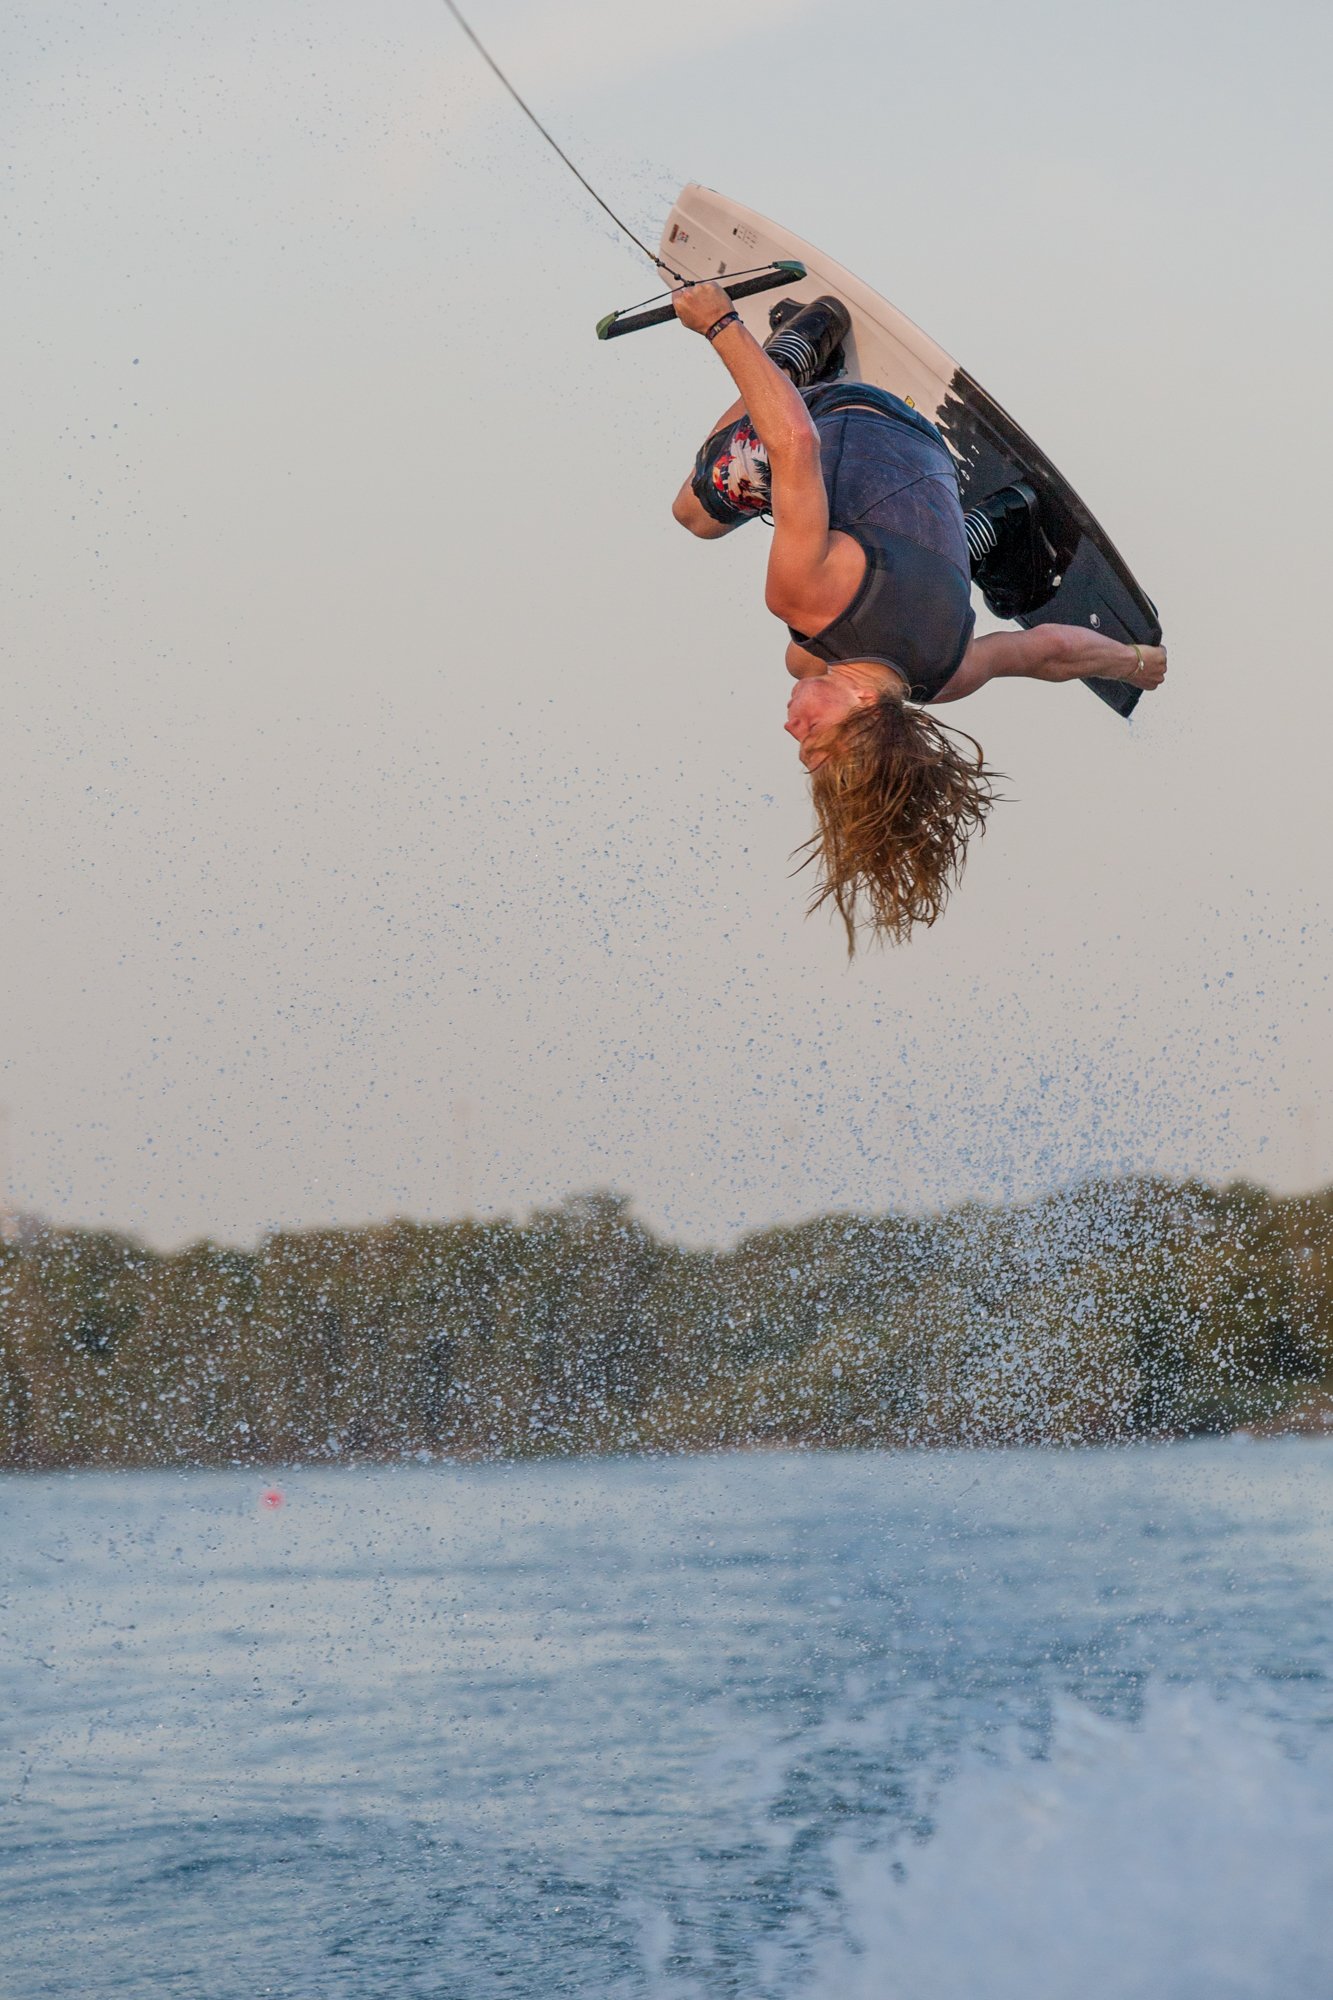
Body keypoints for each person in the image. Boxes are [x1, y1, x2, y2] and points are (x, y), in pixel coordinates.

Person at [669, 280, 1167, 951]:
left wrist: (1136, 663)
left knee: (802, 653)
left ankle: (990, 524)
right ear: (865, 718)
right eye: (814, 737)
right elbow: (793, 443)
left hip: (930, 449)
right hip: (840, 409)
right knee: (696, 514)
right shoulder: (803, 596)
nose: (791, 726)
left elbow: (1044, 652)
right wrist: (719, 323)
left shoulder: (943, 678)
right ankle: (798, 350)